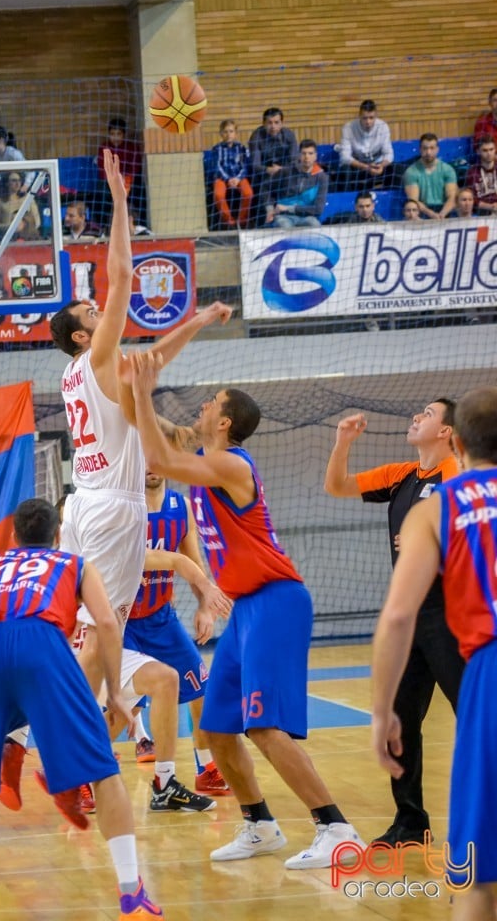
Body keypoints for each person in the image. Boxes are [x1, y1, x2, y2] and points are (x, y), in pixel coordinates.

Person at [125, 354, 364, 867]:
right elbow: (167, 437)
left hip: (276, 600)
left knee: (263, 726)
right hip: (244, 607)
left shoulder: (231, 464)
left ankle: (336, 829)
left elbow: (161, 457)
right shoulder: (206, 455)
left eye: (212, 402)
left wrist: (143, 395)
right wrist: (129, 392)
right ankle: (260, 825)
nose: (204, 404)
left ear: (226, 421)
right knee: (215, 726)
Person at [0, 498, 163, 921]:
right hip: (42, 644)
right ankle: (131, 893)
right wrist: (115, 692)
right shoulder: (74, 565)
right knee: (103, 768)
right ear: (57, 535)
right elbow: (109, 623)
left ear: (13, 536)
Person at [49, 148, 232, 697]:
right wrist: (121, 202)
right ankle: (54, 743)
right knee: (104, 637)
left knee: (86, 631)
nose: (98, 310)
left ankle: (86, 736)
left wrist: (196, 321)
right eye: (89, 312)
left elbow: (152, 361)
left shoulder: (82, 374)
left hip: (80, 504)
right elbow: (123, 274)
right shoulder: (100, 357)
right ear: (83, 336)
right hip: (112, 510)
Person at [371, 385, 497, 921]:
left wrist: (381, 713)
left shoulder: (439, 508)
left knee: (475, 881)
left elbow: (397, 616)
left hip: (487, 668)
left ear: (458, 443)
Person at [324, 399, 465, 845]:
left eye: (427, 414)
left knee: (478, 716)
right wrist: (342, 442)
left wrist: (432, 536)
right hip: (412, 620)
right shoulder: (402, 475)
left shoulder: (459, 476)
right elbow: (337, 487)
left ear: (447, 432)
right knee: (401, 723)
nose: (416, 417)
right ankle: (410, 821)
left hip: (452, 615)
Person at [122, 469, 232, 797]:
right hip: (122, 620)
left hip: (160, 618)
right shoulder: (125, 507)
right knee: (122, 708)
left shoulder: (181, 507)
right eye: (144, 460)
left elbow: (192, 559)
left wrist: (203, 607)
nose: (151, 467)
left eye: (157, 459)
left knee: (200, 688)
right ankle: (79, 775)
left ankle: (206, 767)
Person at [261, 139, 328, 229]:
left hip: (307, 217)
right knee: (285, 226)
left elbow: (318, 209)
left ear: (315, 156)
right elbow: (265, 187)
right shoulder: (286, 172)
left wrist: (288, 208)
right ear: (299, 155)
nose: (307, 157)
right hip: (284, 216)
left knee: (314, 225)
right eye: (304, 153)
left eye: (310, 153)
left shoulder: (322, 177)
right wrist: (269, 209)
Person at [248, 107, 298, 212]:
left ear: (281, 123)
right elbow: (255, 165)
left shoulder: (289, 135)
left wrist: (281, 169)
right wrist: (268, 170)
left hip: (285, 173)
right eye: (269, 123)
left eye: (276, 122)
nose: (273, 126)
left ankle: (286, 211)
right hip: (264, 174)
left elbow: (294, 162)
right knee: (262, 185)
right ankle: (268, 214)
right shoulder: (256, 137)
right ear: (263, 123)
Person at [96, 117, 143, 228]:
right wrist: (115, 180)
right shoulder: (104, 147)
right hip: (110, 182)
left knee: (140, 191)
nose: (115, 138)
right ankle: (102, 227)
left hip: (128, 182)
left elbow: (135, 168)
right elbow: (102, 170)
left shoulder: (132, 147)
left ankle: (139, 224)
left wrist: (125, 180)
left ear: (124, 134)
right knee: (101, 194)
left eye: (118, 134)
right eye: (112, 134)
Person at [338, 99, 394, 189]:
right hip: (358, 167)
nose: (368, 122)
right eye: (365, 118)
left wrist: (381, 165)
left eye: (371, 118)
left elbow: (389, 154)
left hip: (377, 166)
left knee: (395, 169)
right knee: (344, 171)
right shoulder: (348, 128)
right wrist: (366, 167)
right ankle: (347, 200)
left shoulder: (383, 126)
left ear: (376, 116)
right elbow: (345, 157)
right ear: (359, 116)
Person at [403, 133, 457, 220]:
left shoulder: (448, 170)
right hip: (422, 213)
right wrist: (432, 215)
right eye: (425, 148)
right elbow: (414, 201)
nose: (428, 152)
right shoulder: (411, 172)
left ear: (437, 149)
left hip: (444, 211)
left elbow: (452, 197)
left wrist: (442, 215)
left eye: (432, 148)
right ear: (420, 149)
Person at [210, 119, 253, 228]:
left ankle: (242, 220)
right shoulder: (217, 149)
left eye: (231, 131)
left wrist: (238, 178)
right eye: (225, 132)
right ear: (221, 134)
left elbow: (245, 166)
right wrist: (227, 179)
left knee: (248, 193)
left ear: (236, 133)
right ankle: (229, 221)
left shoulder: (242, 148)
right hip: (222, 177)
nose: (228, 134)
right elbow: (217, 167)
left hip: (239, 176)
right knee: (218, 195)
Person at [0, 171, 40, 240]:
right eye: (14, 181)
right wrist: (12, 227)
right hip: (7, 238)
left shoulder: (28, 199)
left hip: (28, 237)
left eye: (19, 180)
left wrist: (25, 226)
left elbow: (37, 221)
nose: (17, 184)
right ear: (7, 183)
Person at [465, 135, 497, 215]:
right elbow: (471, 199)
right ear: (478, 151)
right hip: (483, 212)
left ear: (495, 150)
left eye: (491, 149)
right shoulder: (472, 173)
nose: (489, 153)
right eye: (485, 150)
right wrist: (491, 207)